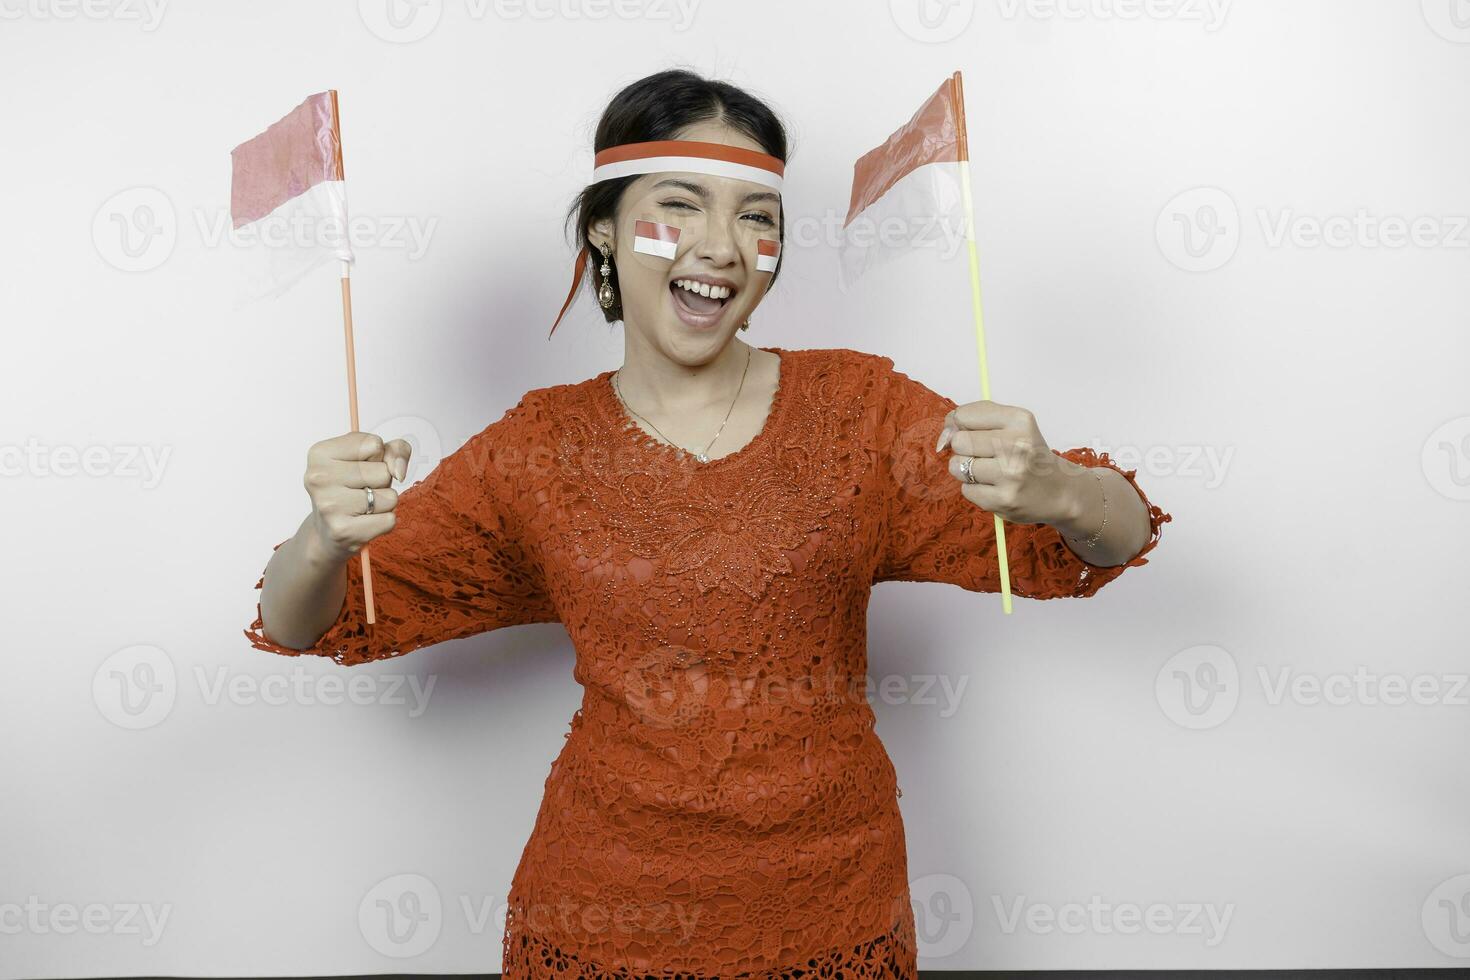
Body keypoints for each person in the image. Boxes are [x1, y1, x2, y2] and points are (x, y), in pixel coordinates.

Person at [244, 68, 1172, 980]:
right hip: (601, 915)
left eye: (756, 216)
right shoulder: (538, 447)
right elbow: (307, 621)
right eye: (681, 205)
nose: (722, 246)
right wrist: (323, 539)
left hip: (834, 908)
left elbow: (1112, 538)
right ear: (603, 227)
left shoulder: (860, 410)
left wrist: (1060, 489)